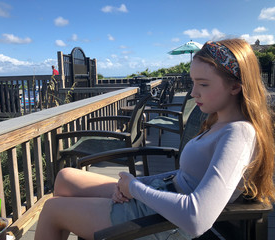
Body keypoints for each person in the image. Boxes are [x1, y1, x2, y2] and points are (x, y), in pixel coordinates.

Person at [34, 39, 275, 240]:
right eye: (193, 82)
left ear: (235, 87)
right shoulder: (219, 122)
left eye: (203, 84)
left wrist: (135, 189)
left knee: (52, 210)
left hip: (164, 223)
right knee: (65, 177)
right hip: (162, 196)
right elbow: (183, 178)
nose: (193, 92)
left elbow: (197, 219)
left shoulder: (239, 133)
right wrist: (133, 184)